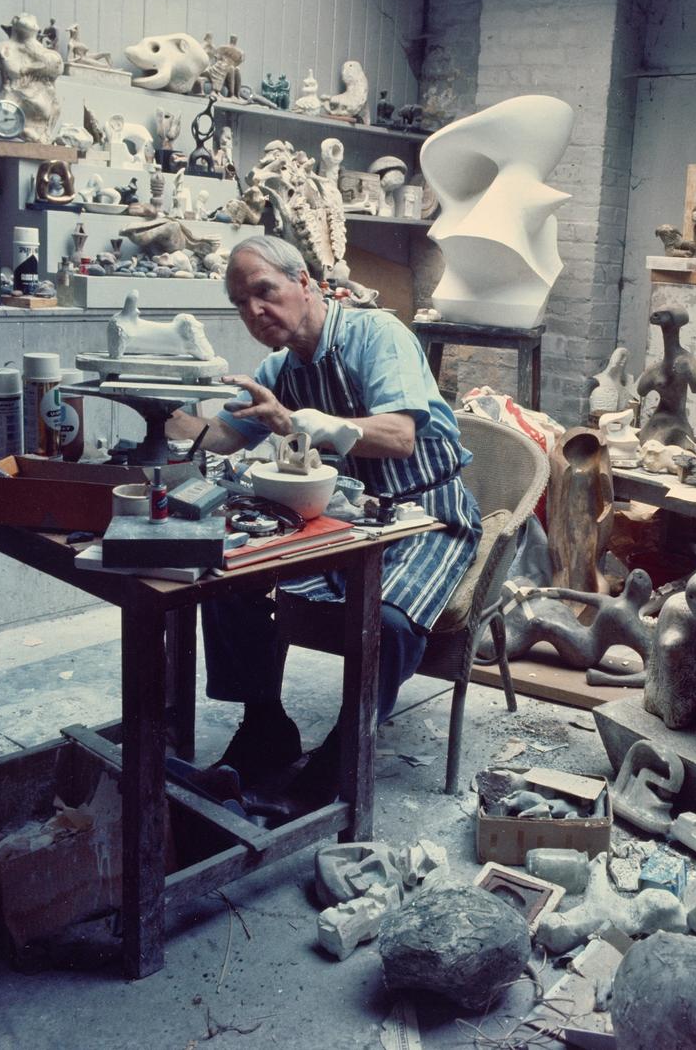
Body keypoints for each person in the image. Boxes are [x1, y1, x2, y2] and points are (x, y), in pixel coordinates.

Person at [166, 235, 482, 806]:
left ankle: (342, 753)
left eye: (265, 291)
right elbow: (225, 436)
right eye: (241, 302)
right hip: (342, 516)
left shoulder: (376, 335)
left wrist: (300, 422)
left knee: (387, 620)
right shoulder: (279, 367)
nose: (255, 312)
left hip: (423, 512)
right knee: (226, 579)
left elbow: (402, 437)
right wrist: (160, 407)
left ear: (305, 282)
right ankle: (266, 725)